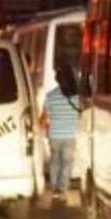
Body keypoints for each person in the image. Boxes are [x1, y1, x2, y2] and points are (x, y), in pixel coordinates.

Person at [41, 69, 79, 202]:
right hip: (70, 135)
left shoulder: (50, 95)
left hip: (54, 135)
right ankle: (62, 188)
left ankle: (54, 187)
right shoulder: (76, 97)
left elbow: (45, 116)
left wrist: (41, 128)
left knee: (55, 160)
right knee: (67, 163)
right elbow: (80, 114)